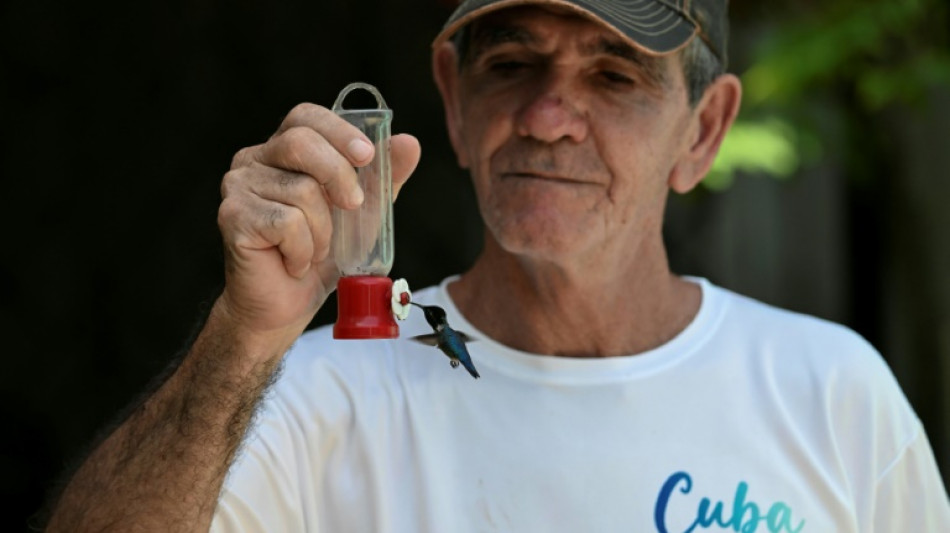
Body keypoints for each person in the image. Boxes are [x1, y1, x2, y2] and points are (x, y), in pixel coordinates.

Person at [46, 0, 950, 531]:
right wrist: (243, 339)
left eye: (615, 76)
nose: (549, 117)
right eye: (513, 63)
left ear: (703, 130)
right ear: (453, 97)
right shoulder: (312, 394)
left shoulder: (833, 395)